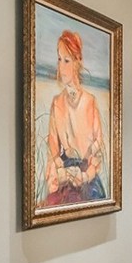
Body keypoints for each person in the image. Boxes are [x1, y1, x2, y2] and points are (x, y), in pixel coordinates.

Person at [41, 30, 107, 206]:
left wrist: (85, 175)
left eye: (66, 60)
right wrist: (60, 173)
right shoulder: (57, 103)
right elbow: (53, 150)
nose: (61, 67)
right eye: (59, 59)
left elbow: (98, 148)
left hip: (87, 178)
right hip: (65, 176)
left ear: (77, 62)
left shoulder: (90, 102)